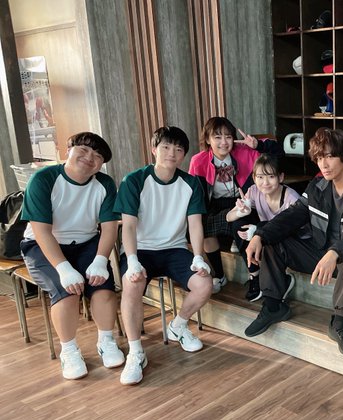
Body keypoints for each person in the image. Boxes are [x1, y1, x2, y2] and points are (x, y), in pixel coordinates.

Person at [244, 127, 343, 357]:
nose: (323, 164)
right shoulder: (317, 187)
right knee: (271, 240)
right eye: (318, 157)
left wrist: (334, 252)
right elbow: (292, 215)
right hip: (319, 254)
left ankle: (338, 323)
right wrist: (260, 235)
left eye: (329, 156)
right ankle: (273, 306)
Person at [115, 126, 212, 385]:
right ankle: (136, 352)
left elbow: (195, 224)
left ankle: (178, 325)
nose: (172, 153)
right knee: (132, 284)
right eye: (166, 147)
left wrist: (198, 256)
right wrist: (132, 260)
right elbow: (129, 226)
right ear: (153, 149)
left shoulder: (191, 183)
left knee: (204, 284)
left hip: (174, 249)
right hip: (141, 249)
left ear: (184, 155)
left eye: (178, 149)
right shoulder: (134, 180)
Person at [20, 132, 121, 380]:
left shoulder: (105, 184)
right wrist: (64, 268)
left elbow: (109, 228)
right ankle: (69, 350)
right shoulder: (44, 179)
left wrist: (100, 260)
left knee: (103, 288)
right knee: (68, 292)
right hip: (42, 244)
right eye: (83, 150)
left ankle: (106, 341)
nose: (89, 158)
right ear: (68, 150)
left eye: (97, 156)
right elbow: (42, 231)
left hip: (86, 243)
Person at [189, 117, 283, 296]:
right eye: (217, 137)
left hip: (243, 200)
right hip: (214, 204)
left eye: (228, 136)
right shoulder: (198, 161)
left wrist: (258, 145)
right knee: (203, 226)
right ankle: (219, 275)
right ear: (208, 139)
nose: (224, 142)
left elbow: (278, 155)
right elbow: (194, 194)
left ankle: (255, 275)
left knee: (240, 225)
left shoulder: (245, 152)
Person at [225, 154, 306, 301]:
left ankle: (280, 280)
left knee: (260, 227)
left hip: (289, 242)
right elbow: (228, 217)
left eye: (271, 177)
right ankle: (255, 275)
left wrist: (258, 230)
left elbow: (298, 231)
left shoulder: (291, 198)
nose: (265, 182)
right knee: (239, 223)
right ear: (254, 178)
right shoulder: (254, 191)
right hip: (267, 237)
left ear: (281, 177)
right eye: (260, 177)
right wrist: (241, 212)